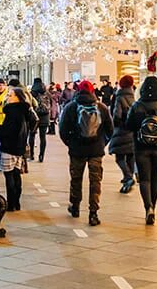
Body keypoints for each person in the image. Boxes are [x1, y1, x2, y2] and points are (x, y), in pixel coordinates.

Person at [58, 80, 113, 226]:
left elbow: (63, 130)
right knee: (95, 181)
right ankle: (93, 213)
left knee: (76, 179)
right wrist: (102, 143)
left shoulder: (71, 107)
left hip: (77, 150)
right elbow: (110, 130)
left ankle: (75, 207)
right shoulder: (102, 107)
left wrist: (71, 143)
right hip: (96, 150)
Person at [125, 75, 157, 225]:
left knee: (145, 179)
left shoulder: (137, 105)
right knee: (156, 178)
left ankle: (148, 207)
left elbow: (129, 125)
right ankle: (153, 206)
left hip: (141, 147)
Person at [0, 88, 37, 212]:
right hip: (19, 147)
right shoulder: (24, 110)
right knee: (16, 175)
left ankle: (11, 203)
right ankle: (17, 202)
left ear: (17, 97)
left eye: (9, 95)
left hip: (9, 147)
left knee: (9, 175)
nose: (7, 97)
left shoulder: (13, 112)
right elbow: (33, 122)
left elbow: (8, 130)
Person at [107, 74, 137, 195]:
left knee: (119, 157)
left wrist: (116, 124)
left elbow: (116, 115)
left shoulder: (119, 97)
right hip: (132, 131)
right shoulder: (134, 97)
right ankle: (128, 178)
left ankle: (128, 176)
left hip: (121, 131)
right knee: (130, 155)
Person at [29, 77, 49, 162]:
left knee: (32, 135)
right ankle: (41, 156)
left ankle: (31, 155)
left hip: (34, 117)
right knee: (43, 137)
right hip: (45, 116)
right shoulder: (46, 93)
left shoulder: (32, 93)